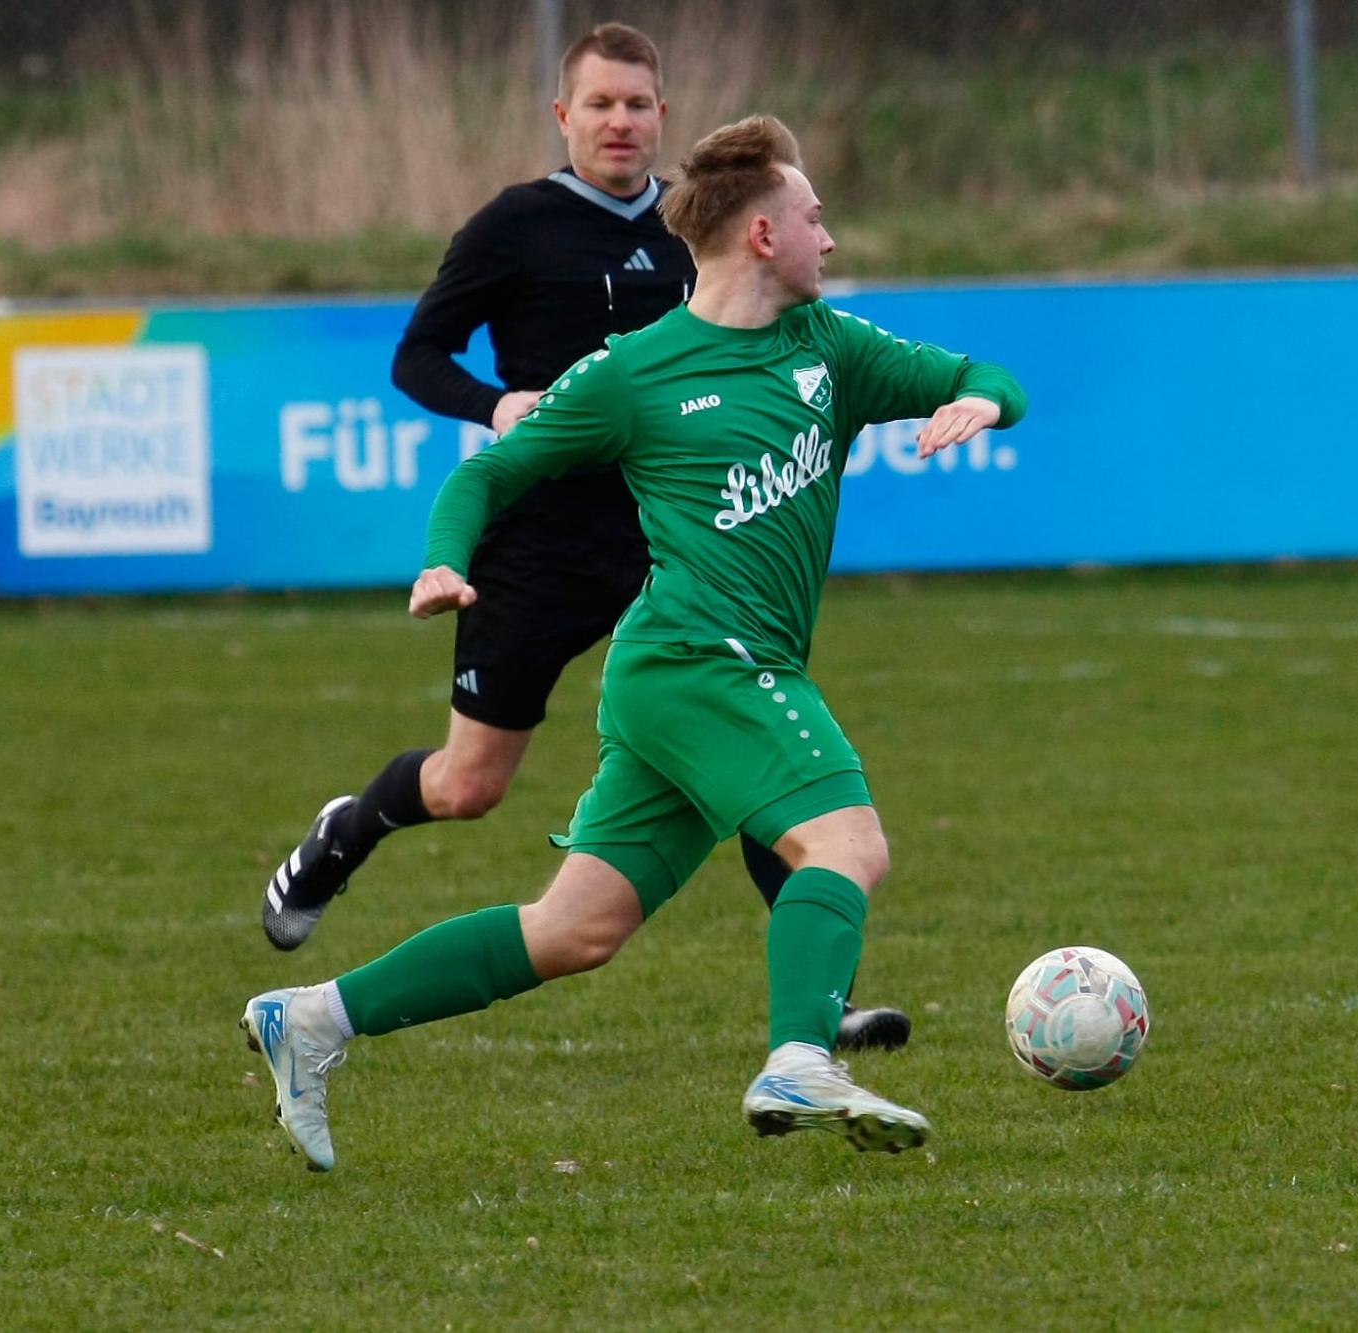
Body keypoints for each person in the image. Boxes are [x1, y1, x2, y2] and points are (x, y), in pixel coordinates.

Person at [241, 114, 1026, 1170]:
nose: (829, 237)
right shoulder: (635, 373)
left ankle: (313, 1018)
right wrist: (441, 560)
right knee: (848, 845)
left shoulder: (830, 347)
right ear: (762, 235)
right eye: (813, 216)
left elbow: (989, 373)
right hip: (702, 663)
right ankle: (800, 1057)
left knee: (572, 930)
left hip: (687, 675)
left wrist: (979, 401)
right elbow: (488, 473)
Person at [258, 22, 909, 1052]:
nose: (620, 122)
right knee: (470, 785)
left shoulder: (702, 230)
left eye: (638, 104)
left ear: (663, 115)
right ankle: (351, 826)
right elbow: (417, 356)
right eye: (599, 103)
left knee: (746, 731)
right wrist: (495, 403)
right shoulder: (515, 226)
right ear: (563, 115)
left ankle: (819, 1010)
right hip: (541, 546)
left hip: (668, 538)